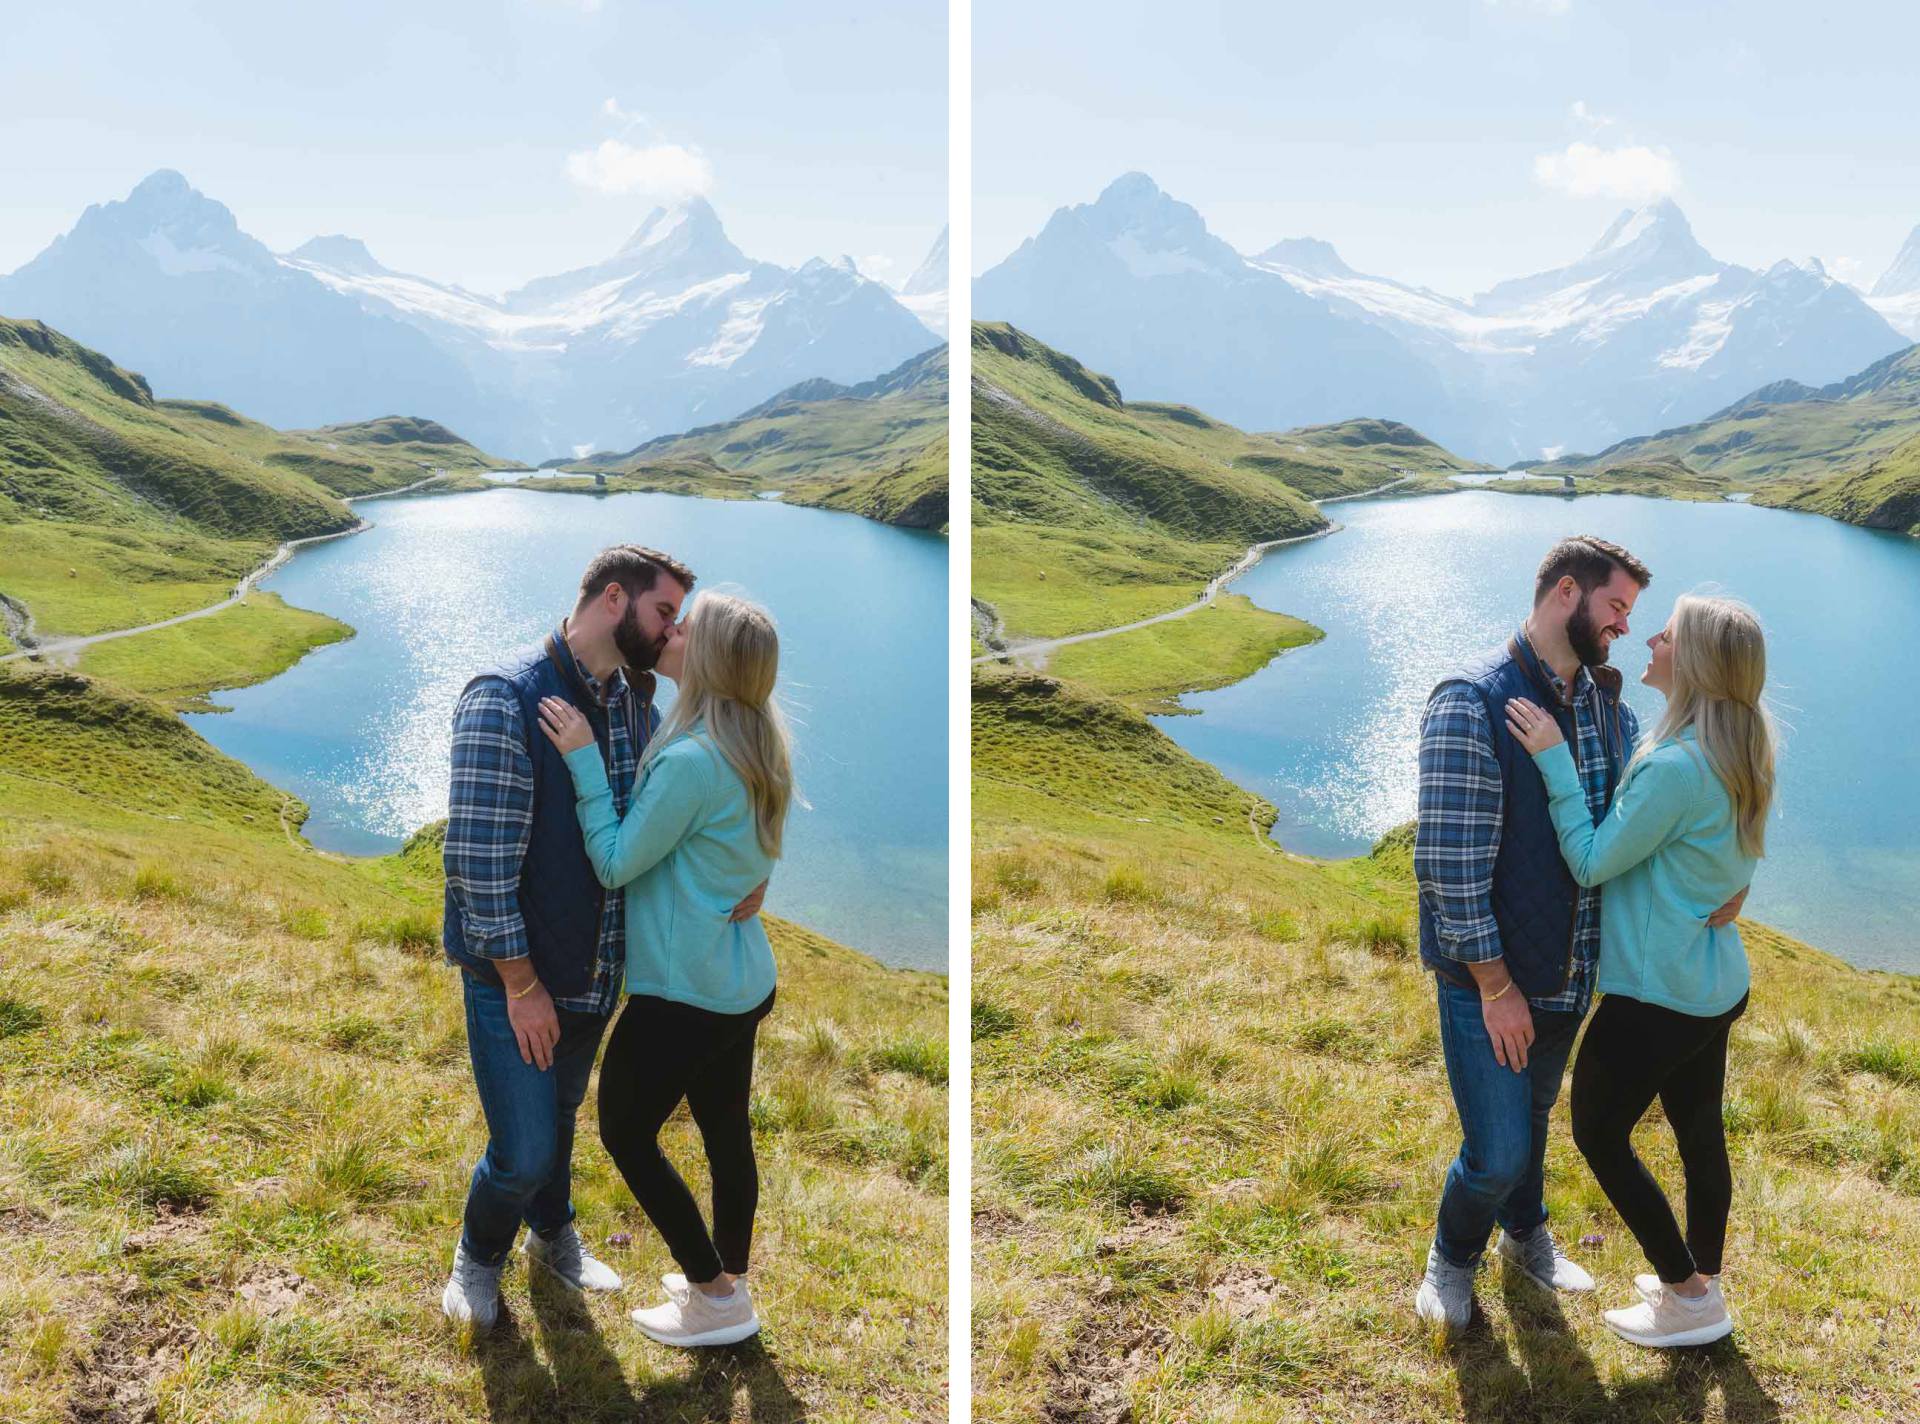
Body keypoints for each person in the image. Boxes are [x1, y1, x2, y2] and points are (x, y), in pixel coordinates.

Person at [1410, 535, 1747, 1334]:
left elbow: (1655, 823)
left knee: (1528, 1130)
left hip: (1570, 976)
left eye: (1633, 611)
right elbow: (1449, 869)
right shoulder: (1471, 701)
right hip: (1493, 983)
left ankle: (1525, 1237)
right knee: (1494, 1150)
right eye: (1618, 607)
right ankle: (1450, 1260)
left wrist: (1730, 879)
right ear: (1567, 593)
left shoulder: (1607, 706)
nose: (1628, 627)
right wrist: (1494, 987)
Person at [438, 545, 764, 1330]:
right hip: (521, 982)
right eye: (665, 613)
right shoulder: (506, 698)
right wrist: (520, 985)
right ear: (614, 601)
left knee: (558, 1122)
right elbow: (477, 866)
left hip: (594, 977)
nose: (673, 630)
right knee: (521, 1150)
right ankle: (476, 1260)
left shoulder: (634, 704)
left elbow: (676, 825)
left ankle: (553, 1238)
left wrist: (746, 877)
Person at [1504, 593, 1774, 1348]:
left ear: (1697, 663)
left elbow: (1591, 863)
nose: (1650, 637)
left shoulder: (1681, 765)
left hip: (1660, 994)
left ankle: (1688, 1297)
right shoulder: (1738, 745)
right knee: (1697, 1132)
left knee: (1596, 1131)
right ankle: (1702, 1280)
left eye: (1670, 633)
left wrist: (1554, 757)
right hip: (1715, 985)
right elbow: (1730, 855)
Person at [537, 590, 794, 1348]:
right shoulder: (760, 740)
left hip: (685, 992)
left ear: (708, 658)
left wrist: (583, 757)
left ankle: (715, 1297)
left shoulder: (690, 759)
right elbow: (747, 848)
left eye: (686, 628)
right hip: (742, 983)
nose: (671, 632)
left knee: (623, 1129)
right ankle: (730, 1280)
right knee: (725, 1134)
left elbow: (615, 863)